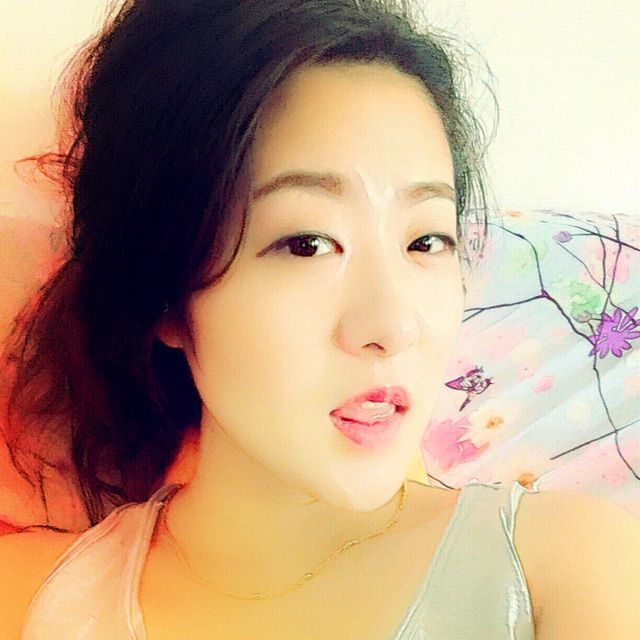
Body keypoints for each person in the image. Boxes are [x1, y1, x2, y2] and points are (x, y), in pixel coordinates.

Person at [1, 1, 638, 638]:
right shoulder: (26, 599)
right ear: (164, 294)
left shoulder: (574, 568)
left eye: (426, 241)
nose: (394, 327)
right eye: (307, 243)